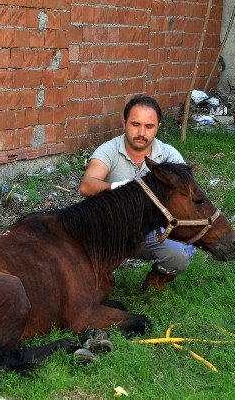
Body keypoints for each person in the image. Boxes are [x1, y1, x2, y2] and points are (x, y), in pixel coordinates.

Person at [79, 95, 195, 291]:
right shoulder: (109, 150)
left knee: (181, 253)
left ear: (158, 126)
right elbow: (87, 186)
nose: (141, 132)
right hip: (111, 229)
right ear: (124, 122)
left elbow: (187, 195)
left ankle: (154, 284)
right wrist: (121, 187)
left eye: (149, 126)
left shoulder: (169, 155)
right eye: (135, 124)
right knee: (87, 284)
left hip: (150, 231)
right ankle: (100, 275)